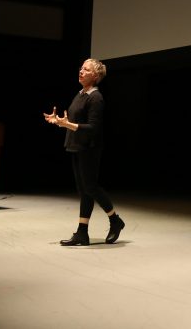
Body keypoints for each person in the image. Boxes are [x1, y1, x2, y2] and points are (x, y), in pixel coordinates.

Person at [43, 58, 125, 246]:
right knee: (84, 191)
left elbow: (93, 128)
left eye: (86, 69)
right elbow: (73, 121)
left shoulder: (96, 97)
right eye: (81, 68)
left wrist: (68, 124)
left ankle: (115, 220)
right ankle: (82, 233)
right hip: (76, 145)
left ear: (95, 76)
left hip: (89, 147)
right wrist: (58, 121)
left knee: (91, 187)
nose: (81, 71)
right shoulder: (80, 94)